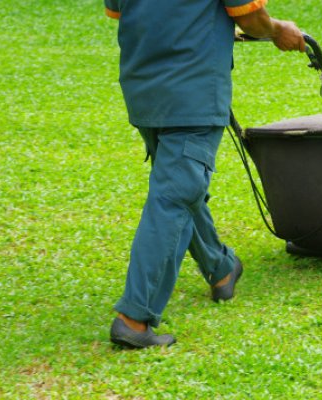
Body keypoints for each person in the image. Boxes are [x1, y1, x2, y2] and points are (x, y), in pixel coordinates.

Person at [104, 0, 305, 349]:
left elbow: (124, 13)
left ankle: (221, 267)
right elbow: (250, 16)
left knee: (180, 186)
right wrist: (277, 29)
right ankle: (134, 318)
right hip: (191, 91)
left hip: (143, 89)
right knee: (174, 197)